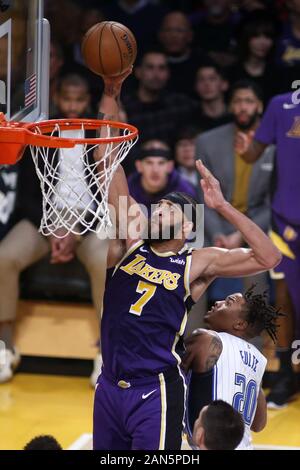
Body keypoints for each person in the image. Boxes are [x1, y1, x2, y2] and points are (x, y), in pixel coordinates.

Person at [92, 70, 281, 450]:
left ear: (187, 224)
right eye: (156, 206)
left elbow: (269, 255)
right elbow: (107, 159)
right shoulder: (130, 240)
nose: (157, 209)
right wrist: (111, 92)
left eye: (167, 208)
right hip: (109, 387)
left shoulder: (196, 263)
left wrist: (223, 206)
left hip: (155, 391)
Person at [0, 74, 108, 383]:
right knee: (4, 257)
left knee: (105, 261)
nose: (73, 106)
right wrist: (53, 230)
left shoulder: (101, 136)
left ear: (88, 101)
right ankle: (5, 346)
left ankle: (107, 353)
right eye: (67, 98)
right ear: (57, 99)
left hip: (89, 222)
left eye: (79, 99)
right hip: (46, 220)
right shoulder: (38, 134)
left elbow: (107, 197)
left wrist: (76, 232)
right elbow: (26, 197)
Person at [236, 91, 300, 407]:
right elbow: (254, 153)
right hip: (287, 219)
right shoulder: (280, 104)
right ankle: (287, 374)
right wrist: (246, 151)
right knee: (285, 297)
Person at [183, 286, 282, 449]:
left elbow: (165, 381)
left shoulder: (206, 339)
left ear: (240, 324)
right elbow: (259, 424)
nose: (218, 302)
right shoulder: (259, 360)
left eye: (228, 303)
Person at [196, 80, 273, 282]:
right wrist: (218, 234)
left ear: (260, 106)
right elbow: (202, 196)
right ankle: (185, 314)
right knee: (190, 267)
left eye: (249, 101)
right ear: (230, 105)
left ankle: (255, 315)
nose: (242, 107)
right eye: (237, 101)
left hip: (257, 223)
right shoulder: (207, 141)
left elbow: (272, 202)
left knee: (261, 266)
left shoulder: (275, 145)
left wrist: (241, 234)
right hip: (216, 224)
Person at [122, 50, 196, 148]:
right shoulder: (125, 107)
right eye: (150, 67)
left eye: (162, 68)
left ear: (168, 73)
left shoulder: (181, 105)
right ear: (138, 72)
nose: (156, 74)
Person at [128, 139, 198, 214]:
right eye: (149, 163)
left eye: (161, 163)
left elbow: (196, 224)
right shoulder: (126, 188)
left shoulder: (185, 192)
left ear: (170, 166)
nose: (155, 170)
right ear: (139, 166)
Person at [157, 11, 204, 96]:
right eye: (168, 30)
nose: (173, 35)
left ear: (190, 36)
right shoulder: (149, 63)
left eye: (179, 30)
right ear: (160, 35)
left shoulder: (203, 63)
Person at [193, 61, 231, 131]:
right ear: (196, 86)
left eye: (212, 79)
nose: (206, 84)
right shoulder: (189, 119)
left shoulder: (234, 117)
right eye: (201, 79)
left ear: (224, 84)